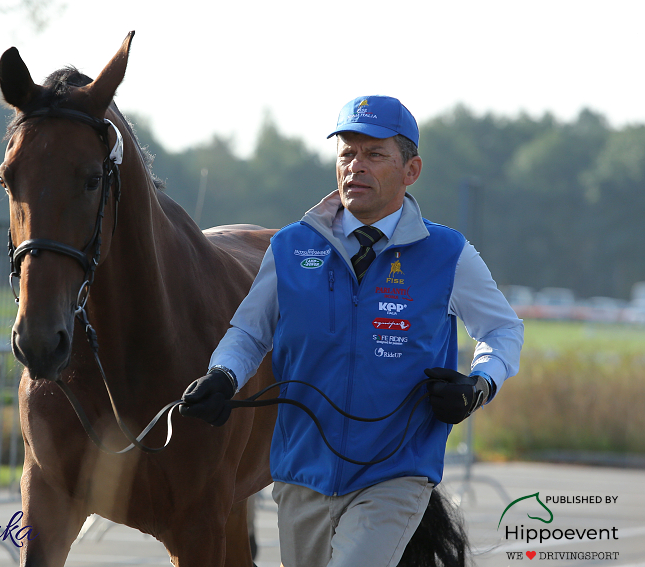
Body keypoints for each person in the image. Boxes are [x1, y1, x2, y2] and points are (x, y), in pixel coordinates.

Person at [179, 95, 524, 567]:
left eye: (374, 155)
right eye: (347, 153)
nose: (355, 166)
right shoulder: (291, 247)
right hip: (301, 475)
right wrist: (222, 375)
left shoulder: (449, 254)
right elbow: (249, 332)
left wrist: (479, 385)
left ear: (411, 169)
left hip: (394, 475)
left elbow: (503, 331)